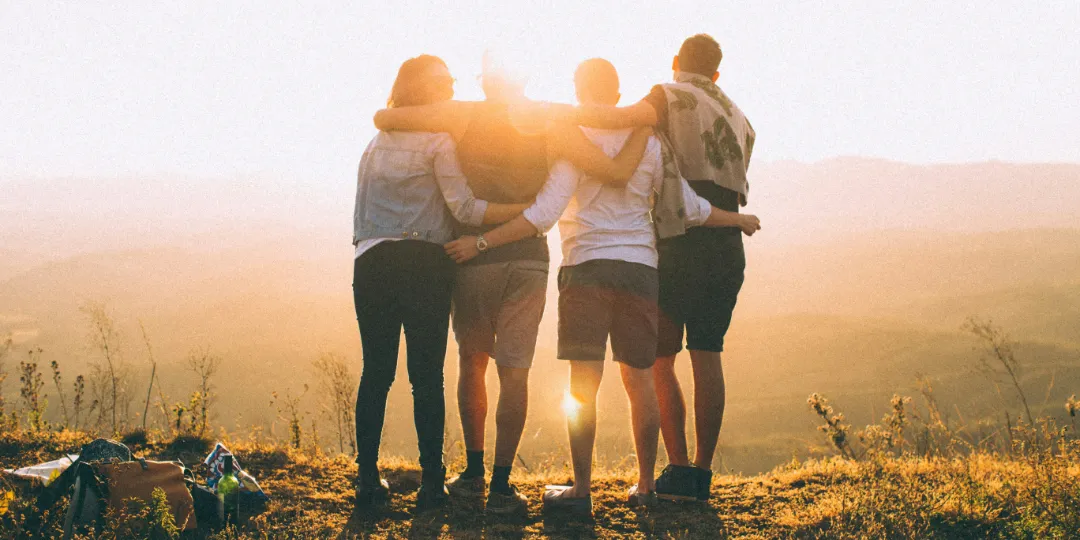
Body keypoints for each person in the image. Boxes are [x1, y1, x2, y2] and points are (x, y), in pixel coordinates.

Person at [444, 58, 760, 517]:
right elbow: (688, 206)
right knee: (640, 380)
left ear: (578, 90)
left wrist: (483, 241)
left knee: (583, 385)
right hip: (640, 270)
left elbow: (544, 213)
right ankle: (647, 487)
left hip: (586, 268)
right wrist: (737, 219)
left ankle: (582, 491)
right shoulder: (650, 141)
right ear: (617, 96)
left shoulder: (572, 139)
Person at [372, 53, 652, 515]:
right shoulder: (548, 116)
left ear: (486, 82)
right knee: (514, 371)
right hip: (529, 258)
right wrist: (643, 119)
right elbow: (605, 145)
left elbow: (387, 116)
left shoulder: (463, 113)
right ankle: (502, 485)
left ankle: (473, 472)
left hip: (472, 256)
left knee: (472, 362)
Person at [552, 34, 758, 502]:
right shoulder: (741, 118)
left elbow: (623, 119)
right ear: (717, 73)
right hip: (725, 242)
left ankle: (676, 469)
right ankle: (700, 475)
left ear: (675, 62)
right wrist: (738, 220)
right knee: (708, 354)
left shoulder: (667, 95)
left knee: (657, 361)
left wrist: (556, 115)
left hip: (679, 239)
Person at [351, 54, 531, 512]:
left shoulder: (375, 143)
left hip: (371, 262)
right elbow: (466, 210)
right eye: (444, 81)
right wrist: (523, 212)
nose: (451, 87)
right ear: (424, 90)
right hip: (424, 265)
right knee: (425, 378)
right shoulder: (438, 141)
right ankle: (432, 485)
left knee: (376, 373)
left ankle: (368, 481)